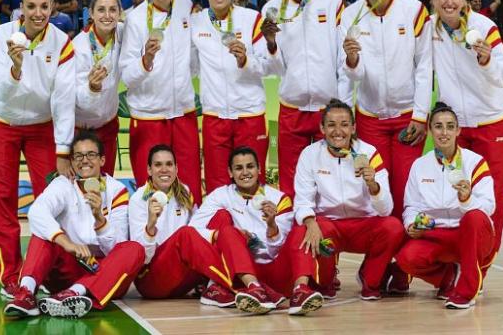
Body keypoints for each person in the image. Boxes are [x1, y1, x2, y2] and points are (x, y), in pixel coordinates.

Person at [0, 0, 76, 299]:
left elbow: (64, 101)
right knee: (2, 200)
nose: (38, 13)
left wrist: (64, 149)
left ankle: (50, 270)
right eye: (31, 6)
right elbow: (0, 90)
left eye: (44, 7)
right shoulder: (1, 36)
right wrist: (16, 68)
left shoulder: (62, 42)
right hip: (0, 121)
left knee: (53, 200)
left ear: (52, 9)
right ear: (21, 9)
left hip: (41, 126)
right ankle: (11, 275)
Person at [4, 131, 144, 318]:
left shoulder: (117, 190)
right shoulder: (63, 184)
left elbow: (115, 248)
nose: (84, 160)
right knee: (44, 230)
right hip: (67, 267)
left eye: (91, 155)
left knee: (134, 249)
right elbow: (37, 211)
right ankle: (26, 294)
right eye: (78, 156)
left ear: (102, 160)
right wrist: (66, 242)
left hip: (101, 273)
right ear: (71, 161)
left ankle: (74, 294)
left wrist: (99, 220)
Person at [340, 0, 432, 221]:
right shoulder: (350, 16)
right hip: (370, 118)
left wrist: (420, 115)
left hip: (407, 117)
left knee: (406, 190)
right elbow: (349, 75)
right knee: (376, 190)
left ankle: (406, 260)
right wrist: (352, 59)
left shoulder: (413, 10)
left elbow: (425, 66)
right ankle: (383, 256)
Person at [430, 0, 503, 276]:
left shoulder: (483, 27)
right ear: (435, 0)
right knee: (455, 193)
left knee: (493, 198)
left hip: (491, 122)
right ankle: (458, 262)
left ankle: (482, 266)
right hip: (456, 128)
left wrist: (487, 61)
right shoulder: (431, 30)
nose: (449, 2)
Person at [292, 99, 405, 300]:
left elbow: (385, 210)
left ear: (353, 128)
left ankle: (369, 279)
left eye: (344, 125)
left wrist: (373, 186)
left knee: (393, 227)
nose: (338, 131)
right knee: (308, 229)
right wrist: (311, 222)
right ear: (322, 128)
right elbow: (302, 201)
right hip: (329, 227)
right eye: (331, 125)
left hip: (364, 226)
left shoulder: (369, 153)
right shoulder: (310, 155)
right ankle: (326, 280)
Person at [190, 146, 324, 315]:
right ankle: (255, 288)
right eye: (239, 168)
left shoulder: (279, 198)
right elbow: (193, 229)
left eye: (250, 166)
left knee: (301, 230)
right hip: (244, 271)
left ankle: (300, 290)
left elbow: (278, 249)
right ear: (230, 172)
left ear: (259, 168)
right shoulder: (221, 195)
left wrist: (272, 226)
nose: (245, 172)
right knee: (227, 231)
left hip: (276, 271)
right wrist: (225, 235)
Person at [260, 0, 345, 198]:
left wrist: (340, 102)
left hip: (326, 106)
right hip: (291, 108)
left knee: (330, 178)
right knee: (289, 179)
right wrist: (271, 43)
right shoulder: (272, 9)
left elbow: (342, 56)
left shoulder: (332, 2)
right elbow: (273, 69)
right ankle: (291, 230)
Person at [396, 102, 496, 310]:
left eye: (450, 126)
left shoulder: (475, 162)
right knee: (406, 258)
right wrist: (411, 224)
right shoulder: (420, 165)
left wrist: (467, 199)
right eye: (438, 126)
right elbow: (411, 206)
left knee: (474, 217)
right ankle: (449, 278)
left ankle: (466, 292)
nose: (444, 132)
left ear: (458, 130)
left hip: (471, 235)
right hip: (437, 235)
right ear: (430, 130)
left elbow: (488, 207)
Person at [120, 0, 202, 203]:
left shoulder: (185, 6)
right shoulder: (134, 20)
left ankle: (190, 238)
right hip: (149, 117)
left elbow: (192, 61)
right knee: (152, 193)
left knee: (190, 188)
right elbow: (126, 76)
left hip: (183, 114)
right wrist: (146, 61)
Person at [191, 0, 270, 194]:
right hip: (215, 116)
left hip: (249, 114)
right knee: (217, 186)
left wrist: (246, 61)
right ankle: (222, 229)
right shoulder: (196, 22)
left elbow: (268, 66)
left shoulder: (252, 19)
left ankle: (255, 228)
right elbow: (192, 66)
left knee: (253, 183)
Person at [128, 145, 234, 304]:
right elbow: (142, 257)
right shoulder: (138, 199)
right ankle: (233, 285)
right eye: (158, 165)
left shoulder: (184, 191)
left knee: (222, 216)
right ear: (149, 170)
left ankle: (214, 285)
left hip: (182, 277)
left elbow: (198, 232)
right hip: (152, 281)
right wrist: (150, 226)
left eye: (169, 164)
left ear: (176, 169)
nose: (164, 169)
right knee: (185, 234)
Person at [74, 0, 124, 176]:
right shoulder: (78, 46)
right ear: (91, 13)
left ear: (120, 13)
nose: (107, 15)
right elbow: (75, 96)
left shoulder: (123, 34)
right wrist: (92, 88)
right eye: (101, 10)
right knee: (81, 184)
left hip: (108, 124)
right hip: (80, 127)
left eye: (113, 10)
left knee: (105, 181)